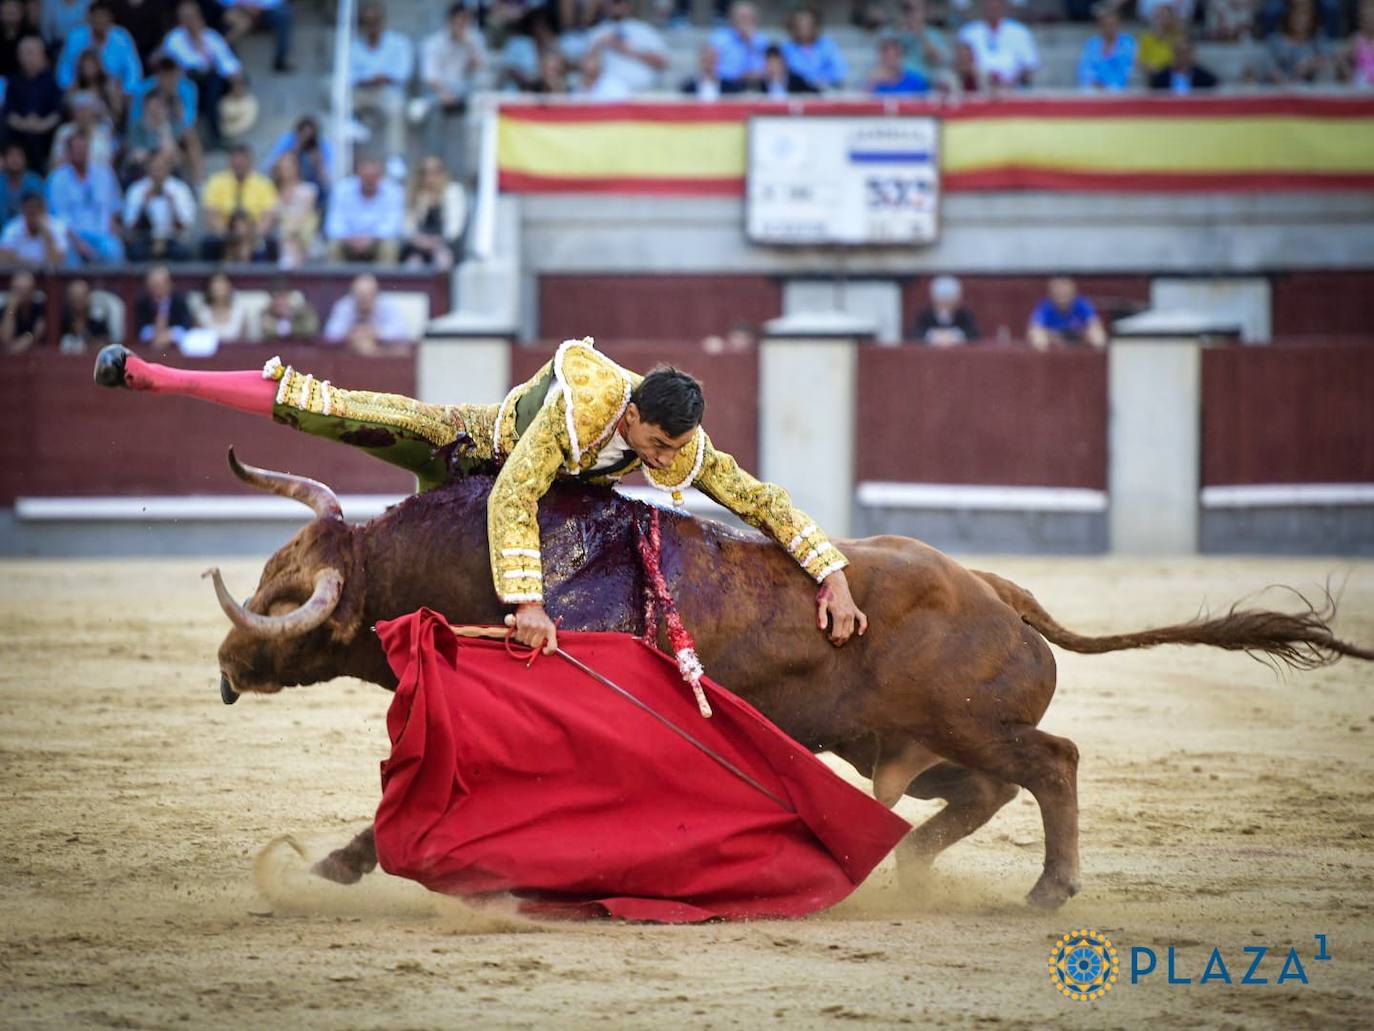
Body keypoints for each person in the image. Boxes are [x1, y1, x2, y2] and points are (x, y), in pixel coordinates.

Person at [93, 336, 869, 652]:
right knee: (329, 405)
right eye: (657, 446)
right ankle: (153, 375)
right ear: (632, 415)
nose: (664, 463)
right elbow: (511, 495)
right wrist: (528, 603)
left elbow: (758, 499)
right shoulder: (585, 402)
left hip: (520, 519)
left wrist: (828, 570)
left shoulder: (678, 440)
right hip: (466, 452)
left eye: (673, 452)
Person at [160, 0, 244, 147]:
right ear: (181, 20)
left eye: (193, 16)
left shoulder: (210, 36)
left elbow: (227, 61)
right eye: (187, 17)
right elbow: (174, 66)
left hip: (212, 81)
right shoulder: (174, 40)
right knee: (203, 82)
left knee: (216, 80)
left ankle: (217, 135)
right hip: (187, 81)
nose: (191, 21)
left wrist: (236, 79)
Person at [45, 130, 124, 264]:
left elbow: (114, 208)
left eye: (84, 148)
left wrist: (113, 227)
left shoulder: (104, 174)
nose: (81, 152)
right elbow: (58, 218)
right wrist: (77, 242)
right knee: (68, 256)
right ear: (68, 153)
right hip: (71, 237)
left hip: (102, 235)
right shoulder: (57, 179)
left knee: (115, 250)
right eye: (77, 149)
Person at [350, 2, 414, 164]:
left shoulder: (398, 43)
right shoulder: (354, 47)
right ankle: (352, 124)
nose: (371, 26)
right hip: (360, 93)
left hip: (387, 91)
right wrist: (369, 79)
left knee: (396, 104)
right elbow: (348, 76)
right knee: (334, 89)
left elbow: (403, 73)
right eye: (367, 22)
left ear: (382, 22)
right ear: (361, 25)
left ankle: (394, 157)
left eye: (375, 21)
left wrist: (381, 78)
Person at [201, 142, 278, 261]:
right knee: (209, 243)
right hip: (225, 234)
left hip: (254, 234)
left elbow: (268, 217)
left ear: (250, 162)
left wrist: (251, 237)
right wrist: (229, 236)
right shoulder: (216, 182)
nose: (239, 165)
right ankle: (214, 278)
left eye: (242, 161)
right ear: (230, 162)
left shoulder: (264, 184)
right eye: (236, 161)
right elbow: (211, 215)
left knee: (268, 245)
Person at [324, 156, 404, 265]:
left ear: (380, 176)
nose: (370, 180)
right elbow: (334, 224)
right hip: (348, 241)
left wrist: (371, 239)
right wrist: (350, 239)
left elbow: (393, 226)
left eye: (373, 176)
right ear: (358, 175)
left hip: (377, 241)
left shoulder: (393, 191)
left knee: (389, 247)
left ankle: (385, 282)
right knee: (333, 246)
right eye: (366, 176)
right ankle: (335, 282)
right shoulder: (342, 189)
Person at [4, 35, 63, 172]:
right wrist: (25, 124)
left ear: (42, 55)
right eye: (22, 54)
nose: (26, 58)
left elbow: (57, 113)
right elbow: (9, 112)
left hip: (45, 132)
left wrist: (39, 125)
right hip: (19, 132)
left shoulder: (52, 81)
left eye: (30, 53)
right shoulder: (14, 81)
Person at [583, 0, 668, 95]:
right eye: (613, 2)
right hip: (610, 94)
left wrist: (629, 49)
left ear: (628, 4)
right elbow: (588, 71)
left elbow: (662, 63)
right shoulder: (597, 33)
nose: (617, 6)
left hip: (645, 93)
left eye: (620, 2)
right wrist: (598, 45)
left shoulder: (645, 30)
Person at [55, 0, 141, 93]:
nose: (99, 20)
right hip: (81, 87)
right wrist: (67, 86)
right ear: (89, 18)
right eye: (96, 16)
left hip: (113, 89)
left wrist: (127, 90)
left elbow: (133, 69)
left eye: (103, 16)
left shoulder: (121, 37)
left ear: (110, 19)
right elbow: (65, 67)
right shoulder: (75, 37)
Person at [122, 150, 196, 260]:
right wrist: (144, 207)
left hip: (173, 240)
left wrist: (173, 207)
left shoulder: (180, 189)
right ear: (148, 168)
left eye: (161, 167)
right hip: (145, 239)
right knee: (135, 252)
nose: (158, 172)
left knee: (183, 252)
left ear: (168, 168)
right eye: (155, 168)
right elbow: (130, 227)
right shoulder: (136, 190)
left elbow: (186, 225)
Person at [419, 2, 487, 117]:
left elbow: (479, 69)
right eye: (459, 22)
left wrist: (470, 46)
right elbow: (430, 77)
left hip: (466, 92)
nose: (463, 27)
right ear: (449, 22)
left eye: (466, 23)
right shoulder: (433, 43)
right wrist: (445, 94)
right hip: (438, 94)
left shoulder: (474, 40)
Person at [400, 155, 465, 270]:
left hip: (443, 244)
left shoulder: (452, 192)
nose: (429, 177)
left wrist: (435, 242)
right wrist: (420, 208)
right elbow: (407, 229)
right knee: (412, 264)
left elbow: (454, 229)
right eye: (424, 172)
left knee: (442, 262)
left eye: (434, 172)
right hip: (418, 245)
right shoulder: (414, 194)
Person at [322, 272, 412, 354]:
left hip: (384, 348)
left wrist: (374, 333)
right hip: (352, 350)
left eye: (368, 295)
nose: (364, 300)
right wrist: (353, 334)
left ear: (376, 294)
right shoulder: (345, 305)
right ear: (353, 295)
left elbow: (401, 331)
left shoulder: (388, 305)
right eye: (359, 295)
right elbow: (331, 333)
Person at [957, 0, 1037, 90]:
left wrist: (1010, 83)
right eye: (989, 5)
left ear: (1003, 6)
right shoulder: (969, 32)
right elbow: (961, 64)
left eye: (996, 5)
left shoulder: (1020, 32)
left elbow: (1030, 64)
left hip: (1014, 88)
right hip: (979, 87)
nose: (993, 8)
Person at [1260, 0, 1335, 83]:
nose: (1299, 20)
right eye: (1296, 16)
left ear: (1311, 20)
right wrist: (1279, 76)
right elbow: (1267, 63)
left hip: (1311, 87)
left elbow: (1330, 58)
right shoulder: (1276, 40)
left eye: (1304, 16)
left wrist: (1310, 64)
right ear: (1289, 18)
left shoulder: (1318, 39)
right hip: (1280, 88)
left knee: (1327, 70)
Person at [262, 114, 331, 201]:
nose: (306, 139)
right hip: (285, 183)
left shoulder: (322, 145)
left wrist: (318, 162)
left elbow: (326, 177)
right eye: (304, 134)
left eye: (310, 136)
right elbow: (271, 163)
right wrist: (296, 149)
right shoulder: (288, 140)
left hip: (312, 184)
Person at [1028, 276, 1107, 349]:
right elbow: (1035, 327)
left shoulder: (1082, 304)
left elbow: (1094, 323)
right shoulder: (1045, 307)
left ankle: (1097, 361)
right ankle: (1046, 361)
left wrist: (1088, 331)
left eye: (1065, 293)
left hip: (1079, 336)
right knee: (1037, 336)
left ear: (1073, 292)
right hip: (1054, 337)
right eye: (1059, 293)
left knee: (1098, 335)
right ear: (1052, 294)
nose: (1062, 296)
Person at [270, 150, 317, 268]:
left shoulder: (308, 190)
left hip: (300, 237)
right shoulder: (270, 192)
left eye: (289, 165)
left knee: (292, 237)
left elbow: (301, 219)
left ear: (297, 167)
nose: (286, 169)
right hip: (274, 238)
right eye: (283, 165)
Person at [781, 5, 846, 90]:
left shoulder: (828, 45)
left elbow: (839, 70)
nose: (803, 28)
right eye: (800, 24)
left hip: (826, 91)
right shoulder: (786, 49)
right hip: (797, 92)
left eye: (807, 24)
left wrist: (822, 80)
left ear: (815, 25)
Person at [220, 0, 294, 73]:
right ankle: (226, 62)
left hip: (265, 10)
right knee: (236, 23)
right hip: (237, 9)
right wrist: (243, 5)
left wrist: (260, 6)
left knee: (284, 13)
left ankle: (280, 60)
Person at [50, 89, 116, 169]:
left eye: (86, 110)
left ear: (93, 112)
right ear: (73, 113)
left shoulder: (103, 133)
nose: (83, 114)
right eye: (79, 110)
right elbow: (54, 163)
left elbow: (108, 164)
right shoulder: (63, 132)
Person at [709, 1, 769, 89]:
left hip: (756, 86)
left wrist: (750, 42)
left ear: (755, 20)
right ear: (733, 19)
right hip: (726, 86)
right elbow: (712, 68)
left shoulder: (762, 41)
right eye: (742, 17)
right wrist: (738, 75)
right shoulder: (719, 39)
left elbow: (767, 69)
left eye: (749, 18)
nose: (745, 22)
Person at [0, 189, 68, 266]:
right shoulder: (12, 228)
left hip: (50, 277)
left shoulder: (57, 226)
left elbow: (57, 262)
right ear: (23, 211)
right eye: (31, 212)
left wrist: (47, 234)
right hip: (20, 274)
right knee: (23, 277)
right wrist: (35, 266)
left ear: (44, 210)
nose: (34, 217)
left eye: (38, 211)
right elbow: (3, 259)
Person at [1077, 2, 1135, 91]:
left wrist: (1108, 84)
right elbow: (1084, 68)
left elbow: (1126, 69)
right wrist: (1093, 81)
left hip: (1119, 87)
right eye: (1105, 25)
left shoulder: (1127, 43)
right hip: (1095, 87)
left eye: (1112, 25)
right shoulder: (1092, 44)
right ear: (1100, 26)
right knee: (1087, 91)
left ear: (1118, 25)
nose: (1109, 29)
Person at [134, 263, 193, 349]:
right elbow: (140, 329)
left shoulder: (179, 300)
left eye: (160, 284)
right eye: (154, 284)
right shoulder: (143, 302)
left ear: (169, 284)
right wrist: (155, 334)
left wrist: (170, 335)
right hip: (150, 347)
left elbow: (186, 327)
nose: (157, 288)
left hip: (175, 347)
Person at [893, 0, 948, 86]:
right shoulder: (894, 33)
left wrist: (921, 34)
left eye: (916, 9)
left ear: (924, 12)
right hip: (898, 83)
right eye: (909, 9)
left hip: (924, 83)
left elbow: (938, 60)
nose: (912, 14)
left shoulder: (934, 34)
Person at [912, 275, 979, 346]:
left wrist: (956, 335)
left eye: (949, 301)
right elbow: (915, 334)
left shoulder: (964, 315)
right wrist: (932, 335)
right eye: (941, 300)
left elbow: (973, 334)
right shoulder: (925, 315)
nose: (945, 304)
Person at [70, 45, 126, 127]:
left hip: (105, 126)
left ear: (98, 65)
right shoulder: (76, 87)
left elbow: (118, 113)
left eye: (91, 64)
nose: (88, 68)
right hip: (81, 127)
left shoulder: (109, 85)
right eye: (85, 65)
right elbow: (70, 113)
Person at [193, 270, 252, 341]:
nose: (219, 288)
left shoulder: (240, 312)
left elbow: (245, 343)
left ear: (229, 287)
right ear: (209, 289)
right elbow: (198, 340)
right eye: (215, 285)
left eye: (222, 284)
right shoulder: (202, 313)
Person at [58, 277, 112, 352]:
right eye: (74, 298)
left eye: (80, 297)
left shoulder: (97, 321)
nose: (77, 302)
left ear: (88, 298)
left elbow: (105, 347)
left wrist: (84, 334)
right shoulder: (61, 323)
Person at [1149, 37, 1218, 91]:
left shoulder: (1206, 79)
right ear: (1173, 54)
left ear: (1193, 54)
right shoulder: (1160, 79)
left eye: (1187, 52)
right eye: (1179, 52)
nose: (1183, 56)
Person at [0, 268, 45, 352]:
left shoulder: (39, 308)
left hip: (35, 353)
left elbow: (39, 331)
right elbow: (5, 337)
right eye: (18, 290)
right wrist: (11, 308)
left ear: (32, 291)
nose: (23, 294)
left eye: (26, 290)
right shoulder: (5, 310)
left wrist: (29, 337)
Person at [1136, 1, 1184, 79]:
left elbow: (1180, 60)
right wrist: (1147, 65)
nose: (1161, 20)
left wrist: (1161, 67)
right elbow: (1138, 61)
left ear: (1171, 19)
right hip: (1152, 76)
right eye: (1158, 16)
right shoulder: (1146, 38)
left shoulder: (1178, 37)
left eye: (1165, 17)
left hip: (1171, 75)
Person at [0, 142, 44, 224]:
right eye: (11, 156)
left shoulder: (34, 181)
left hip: (30, 229)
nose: (15, 160)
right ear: (4, 159)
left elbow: (42, 211)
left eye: (18, 155)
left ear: (25, 159)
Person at [1343, 0, 1374, 85]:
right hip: (1360, 84)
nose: (1370, 23)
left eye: (1372, 20)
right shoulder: (1356, 39)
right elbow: (1340, 58)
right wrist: (1348, 74)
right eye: (1367, 20)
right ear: (1361, 21)